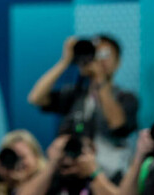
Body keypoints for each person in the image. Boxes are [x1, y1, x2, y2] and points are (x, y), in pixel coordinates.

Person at [27, 36, 138, 181]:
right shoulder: (75, 94)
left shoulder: (126, 98)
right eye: (94, 54)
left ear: (117, 62)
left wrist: (100, 79)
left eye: (104, 55)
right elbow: (36, 98)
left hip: (109, 178)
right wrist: (66, 61)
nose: (97, 60)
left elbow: (117, 125)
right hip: (73, 178)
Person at [18, 135, 117, 195]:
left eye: (75, 148)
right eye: (66, 149)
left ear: (92, 151)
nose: (69, 158)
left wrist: (94, 173)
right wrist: (52, 164)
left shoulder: (103, 178)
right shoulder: (51, 183)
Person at [0, 130, 46, 195]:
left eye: (22, 157)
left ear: (36, 157)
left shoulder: (47, 184)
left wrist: (21, 183)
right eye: (13, 158)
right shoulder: (1, 188)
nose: (18, 163)